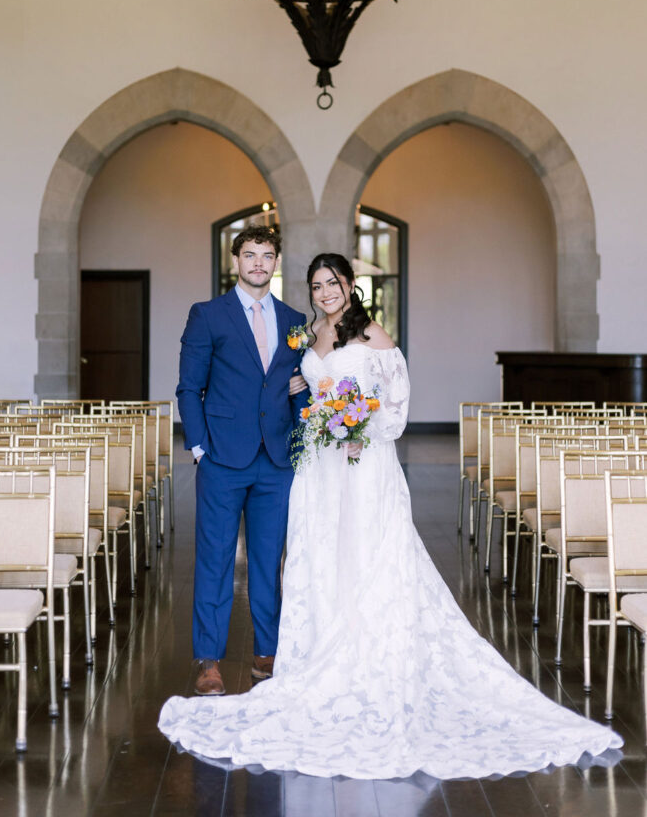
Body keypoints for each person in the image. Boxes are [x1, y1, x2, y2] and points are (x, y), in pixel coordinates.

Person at [160, 252, 623, 779]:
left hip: (358, 463)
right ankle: (268, 655)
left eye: (332, 283)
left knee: (351, 553)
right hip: (312, 468)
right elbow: (280, 388)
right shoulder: (304, 335)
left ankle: (332, 656)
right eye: (317, 285)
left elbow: (395, 401)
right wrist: (294, 405)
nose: (324, 292)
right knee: (310, 557)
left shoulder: (369, 333)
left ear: (350, 285)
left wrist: (359, 431)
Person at [175, 225, 308, 697]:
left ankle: (267, 652)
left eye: (266, 255)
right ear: (236, 261)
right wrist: (199, 448)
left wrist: (301, 410)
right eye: (249, 254)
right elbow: (189, 387)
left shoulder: (294, 319)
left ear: (276, 262)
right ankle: (208, 660)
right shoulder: (208, 315)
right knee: (214, 560)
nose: (257, 263)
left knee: (269, 562)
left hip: (275, 460)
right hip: (221, 459)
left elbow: (301, 382)